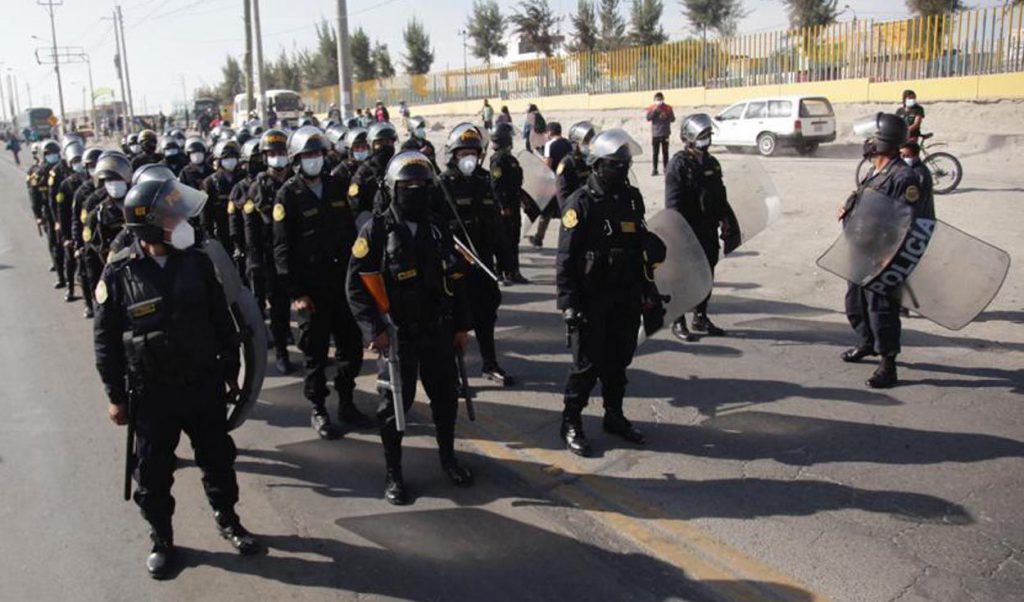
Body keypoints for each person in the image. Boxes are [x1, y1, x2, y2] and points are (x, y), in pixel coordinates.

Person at [93, 177, 259, 579]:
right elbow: (106, 341)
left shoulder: (197, 261)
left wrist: (232, 373)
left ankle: (228, 519)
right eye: (172, 214)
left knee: (218, 458)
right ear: (150, 224)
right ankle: (162, 538)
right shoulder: (118, 274)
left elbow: (223, 321)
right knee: (151, 472)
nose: (181, 220)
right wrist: (115, 396)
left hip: (202, 384)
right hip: (152, 394)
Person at [347, 150, 475, 505]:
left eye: (421, 185)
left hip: (437, 331)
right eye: (407, 186)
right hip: (397, 336)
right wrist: (374, 330)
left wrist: (463, 326)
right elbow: (356, 285)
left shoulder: (438, 228)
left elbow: (458, 280)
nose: (415, 191)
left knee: (446, 400)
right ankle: (394, 474)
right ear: (392, 189)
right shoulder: (374, 230)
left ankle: (448, 458)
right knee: (393, 409)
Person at [556, 129, 663, 456]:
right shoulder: (580, 203)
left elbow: (640, 250)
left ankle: (613, 416)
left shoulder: (631, 199)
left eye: (626, 163)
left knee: (619, 362)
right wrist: (569, 306)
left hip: (626, 295)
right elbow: (566, 260)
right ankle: (571, 421)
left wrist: (649, 291)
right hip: (592, 299)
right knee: (587, 366)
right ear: (599, 165)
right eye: (616, 164)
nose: (622, 170)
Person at [272, 125, 370, 439]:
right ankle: (319, 409)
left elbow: (353, 232)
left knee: (351, 347)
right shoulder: (287, 194)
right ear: (297, 160)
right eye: (307, 155)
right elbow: (282, 249)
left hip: (342, 283)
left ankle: (346, 400)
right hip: (311, 290)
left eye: (317, 153)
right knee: (315, 354)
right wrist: (296, 293)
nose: (314, 159)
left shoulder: (338, 184)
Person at [839, 113, 923, 388]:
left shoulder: (904, 177)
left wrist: (890, 257)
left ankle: (888, 364)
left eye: (871, 138)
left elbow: (909, 220)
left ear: (883, 141)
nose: (867, 143)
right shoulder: (874, 171)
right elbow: (867, 201)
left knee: (881, 310)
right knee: (856, 303)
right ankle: (866, 343)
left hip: (883, 255)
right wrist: (847, 207)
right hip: (862, 249)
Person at [438, 123, 515, 386]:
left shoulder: (484, 182)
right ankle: (455, 374)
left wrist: (506, 261)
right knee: (454, 322)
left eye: (473, 152)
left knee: (486, 316)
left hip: (483, 264)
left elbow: (496, 226)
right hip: (455, 266)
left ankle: (490, 363)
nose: (468, 158)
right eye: (463, 153)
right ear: (453, 155)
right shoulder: (442, 185)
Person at [665, 114, 737, 342]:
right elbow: (673, 203)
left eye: (709, 135)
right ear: (689, 138)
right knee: (684, 277)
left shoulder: (712, 163)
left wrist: (726, 219)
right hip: (687, 229)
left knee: (706, 274)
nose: (707, 139)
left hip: (708, 228)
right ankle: (678, 320)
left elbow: (720, 195)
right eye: (702, 135)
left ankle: (700, 317)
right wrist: (677, 233)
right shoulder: (678, 164)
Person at [245, 129, 294, 374]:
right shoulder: (259, 187)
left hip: (295, 253)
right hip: (270, 256)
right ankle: (282, 352)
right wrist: (254, 260)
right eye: (273, 153)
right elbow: (252, 228)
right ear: (265, 157)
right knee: (278, 305)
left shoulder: (296, 180)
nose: (278, 157)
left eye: (281, 152)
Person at [489, 122, 527, 286]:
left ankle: (513, 271)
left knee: (513, 239)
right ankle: (502, 272)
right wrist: (503, 206)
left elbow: (516, 183)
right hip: (506, 207)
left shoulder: (510, 159)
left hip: (514, 203)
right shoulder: (498, 160)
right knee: (504, 240)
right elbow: (496, 185)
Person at [53, 140, 88, 303]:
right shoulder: (65, 185)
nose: (78, 164)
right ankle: (70, 288)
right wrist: (66, 236)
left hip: (88, 226)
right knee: (70, 260)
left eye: (79, 160)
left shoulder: (89, 181)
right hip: (72, 225)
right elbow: (62, 211)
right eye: (74, 161)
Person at [527, 122, 573, 248]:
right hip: (568, 181)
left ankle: (539, 238)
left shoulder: (549, 145)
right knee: (566, 210)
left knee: (546, 211)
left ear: (550, 132)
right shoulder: (568, 144)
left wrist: (539, 159)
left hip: (553, 182)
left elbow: (547, 166)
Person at [71, 147, 104, 319]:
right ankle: (91, 305)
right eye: (90, 165)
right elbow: (78, 220)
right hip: (90, 240)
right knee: (88, 275)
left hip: (111, 241)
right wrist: (77, 243)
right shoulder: (83, 192)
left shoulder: (116, 188)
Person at [348, 122, 398, 218]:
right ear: (372, 145)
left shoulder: (397, 166)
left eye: (389, 142)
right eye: (380, 143)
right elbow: (355, 205)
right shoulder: (362, 173)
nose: (386, 146)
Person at [200, 139, 242, 253]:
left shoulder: (242, 179)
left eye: (233, 157)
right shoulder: (209, 182)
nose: (231, 160)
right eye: (226, 158)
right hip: (220, 230)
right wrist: (208, 235)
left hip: (241, 230)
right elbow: (205, 213)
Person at [35, 139, 66, 288]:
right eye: (49, 154)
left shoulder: (64, 168)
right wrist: (38, 216)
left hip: (65, 212)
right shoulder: (40, 172)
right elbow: (35, 196)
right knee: (55, 245)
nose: (52, 156)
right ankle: (61, 277)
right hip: (50, 214)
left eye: (55, 153)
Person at [899, 141, 935, 220]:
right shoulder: (909, 170)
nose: (902, 158)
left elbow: (909, 199)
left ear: (916, 156)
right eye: (900, 155)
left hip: (921, 220)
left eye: (906, 156)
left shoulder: (918, 173)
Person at [646, 92, 675, 176]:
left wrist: (667, 115)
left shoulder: (668, 108)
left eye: (660, 99)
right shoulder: (652, 108)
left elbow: (673, 119)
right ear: (654, 100)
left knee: (665, 152)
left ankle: (666, 168)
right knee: (655, 152)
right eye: (657, 99)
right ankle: (655, 169)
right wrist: (655, 111)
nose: (658, 101)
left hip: (665, 133)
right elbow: (648, 118)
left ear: (663, 99)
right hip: (655, 134)